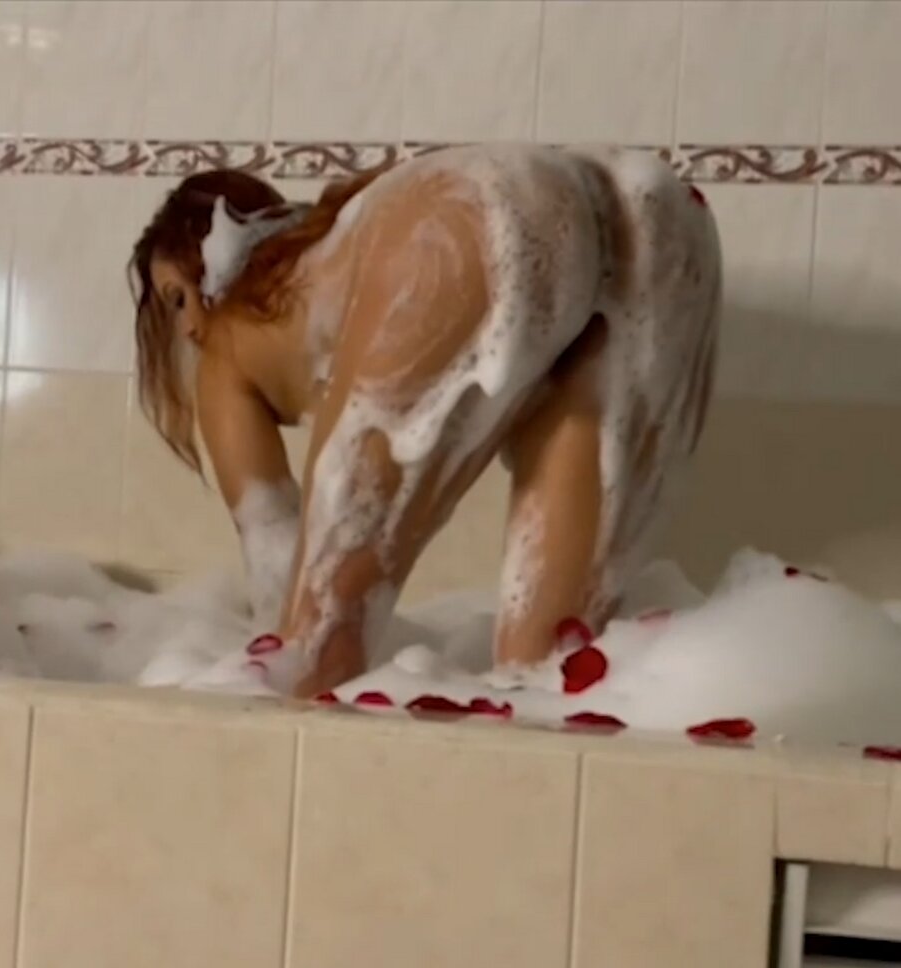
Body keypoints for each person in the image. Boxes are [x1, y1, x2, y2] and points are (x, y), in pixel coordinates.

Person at [128, 144, 721, 700]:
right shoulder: (332, 253)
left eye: (178, 297)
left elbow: (276, 563)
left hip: (462, 214)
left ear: (210, 266)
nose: (188, 328)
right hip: (658, 216)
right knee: (547, 674)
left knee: (314, 658)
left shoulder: (225, 349)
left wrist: (281, 641)